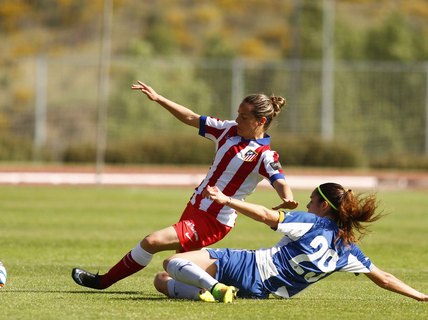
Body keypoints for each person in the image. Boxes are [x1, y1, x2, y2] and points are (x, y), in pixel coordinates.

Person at [71, 80, 298, 290]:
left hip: (214, 220)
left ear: (261, 122)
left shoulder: (264, 155)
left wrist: (286, 197)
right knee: (174, 272)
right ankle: (220, 290)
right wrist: (159, 98)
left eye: (244, 117)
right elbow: (191, 117)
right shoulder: (228, 129)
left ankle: (102, 282)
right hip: (194, 208)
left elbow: (279, 179)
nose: (237, 120)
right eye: (238, 114)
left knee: (152, 241)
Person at [153, 183, 428, 303]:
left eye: (312, 199)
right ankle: (212, 292)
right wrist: (421, 296)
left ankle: (214, 289)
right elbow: (385, 279)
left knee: (172, 261)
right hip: (260, 291)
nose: (308, 203)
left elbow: (264, 215)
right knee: (161, 280)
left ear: (323, 206)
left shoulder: (312, 222)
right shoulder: (348, 249)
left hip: (248, 265)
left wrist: (227, 200)